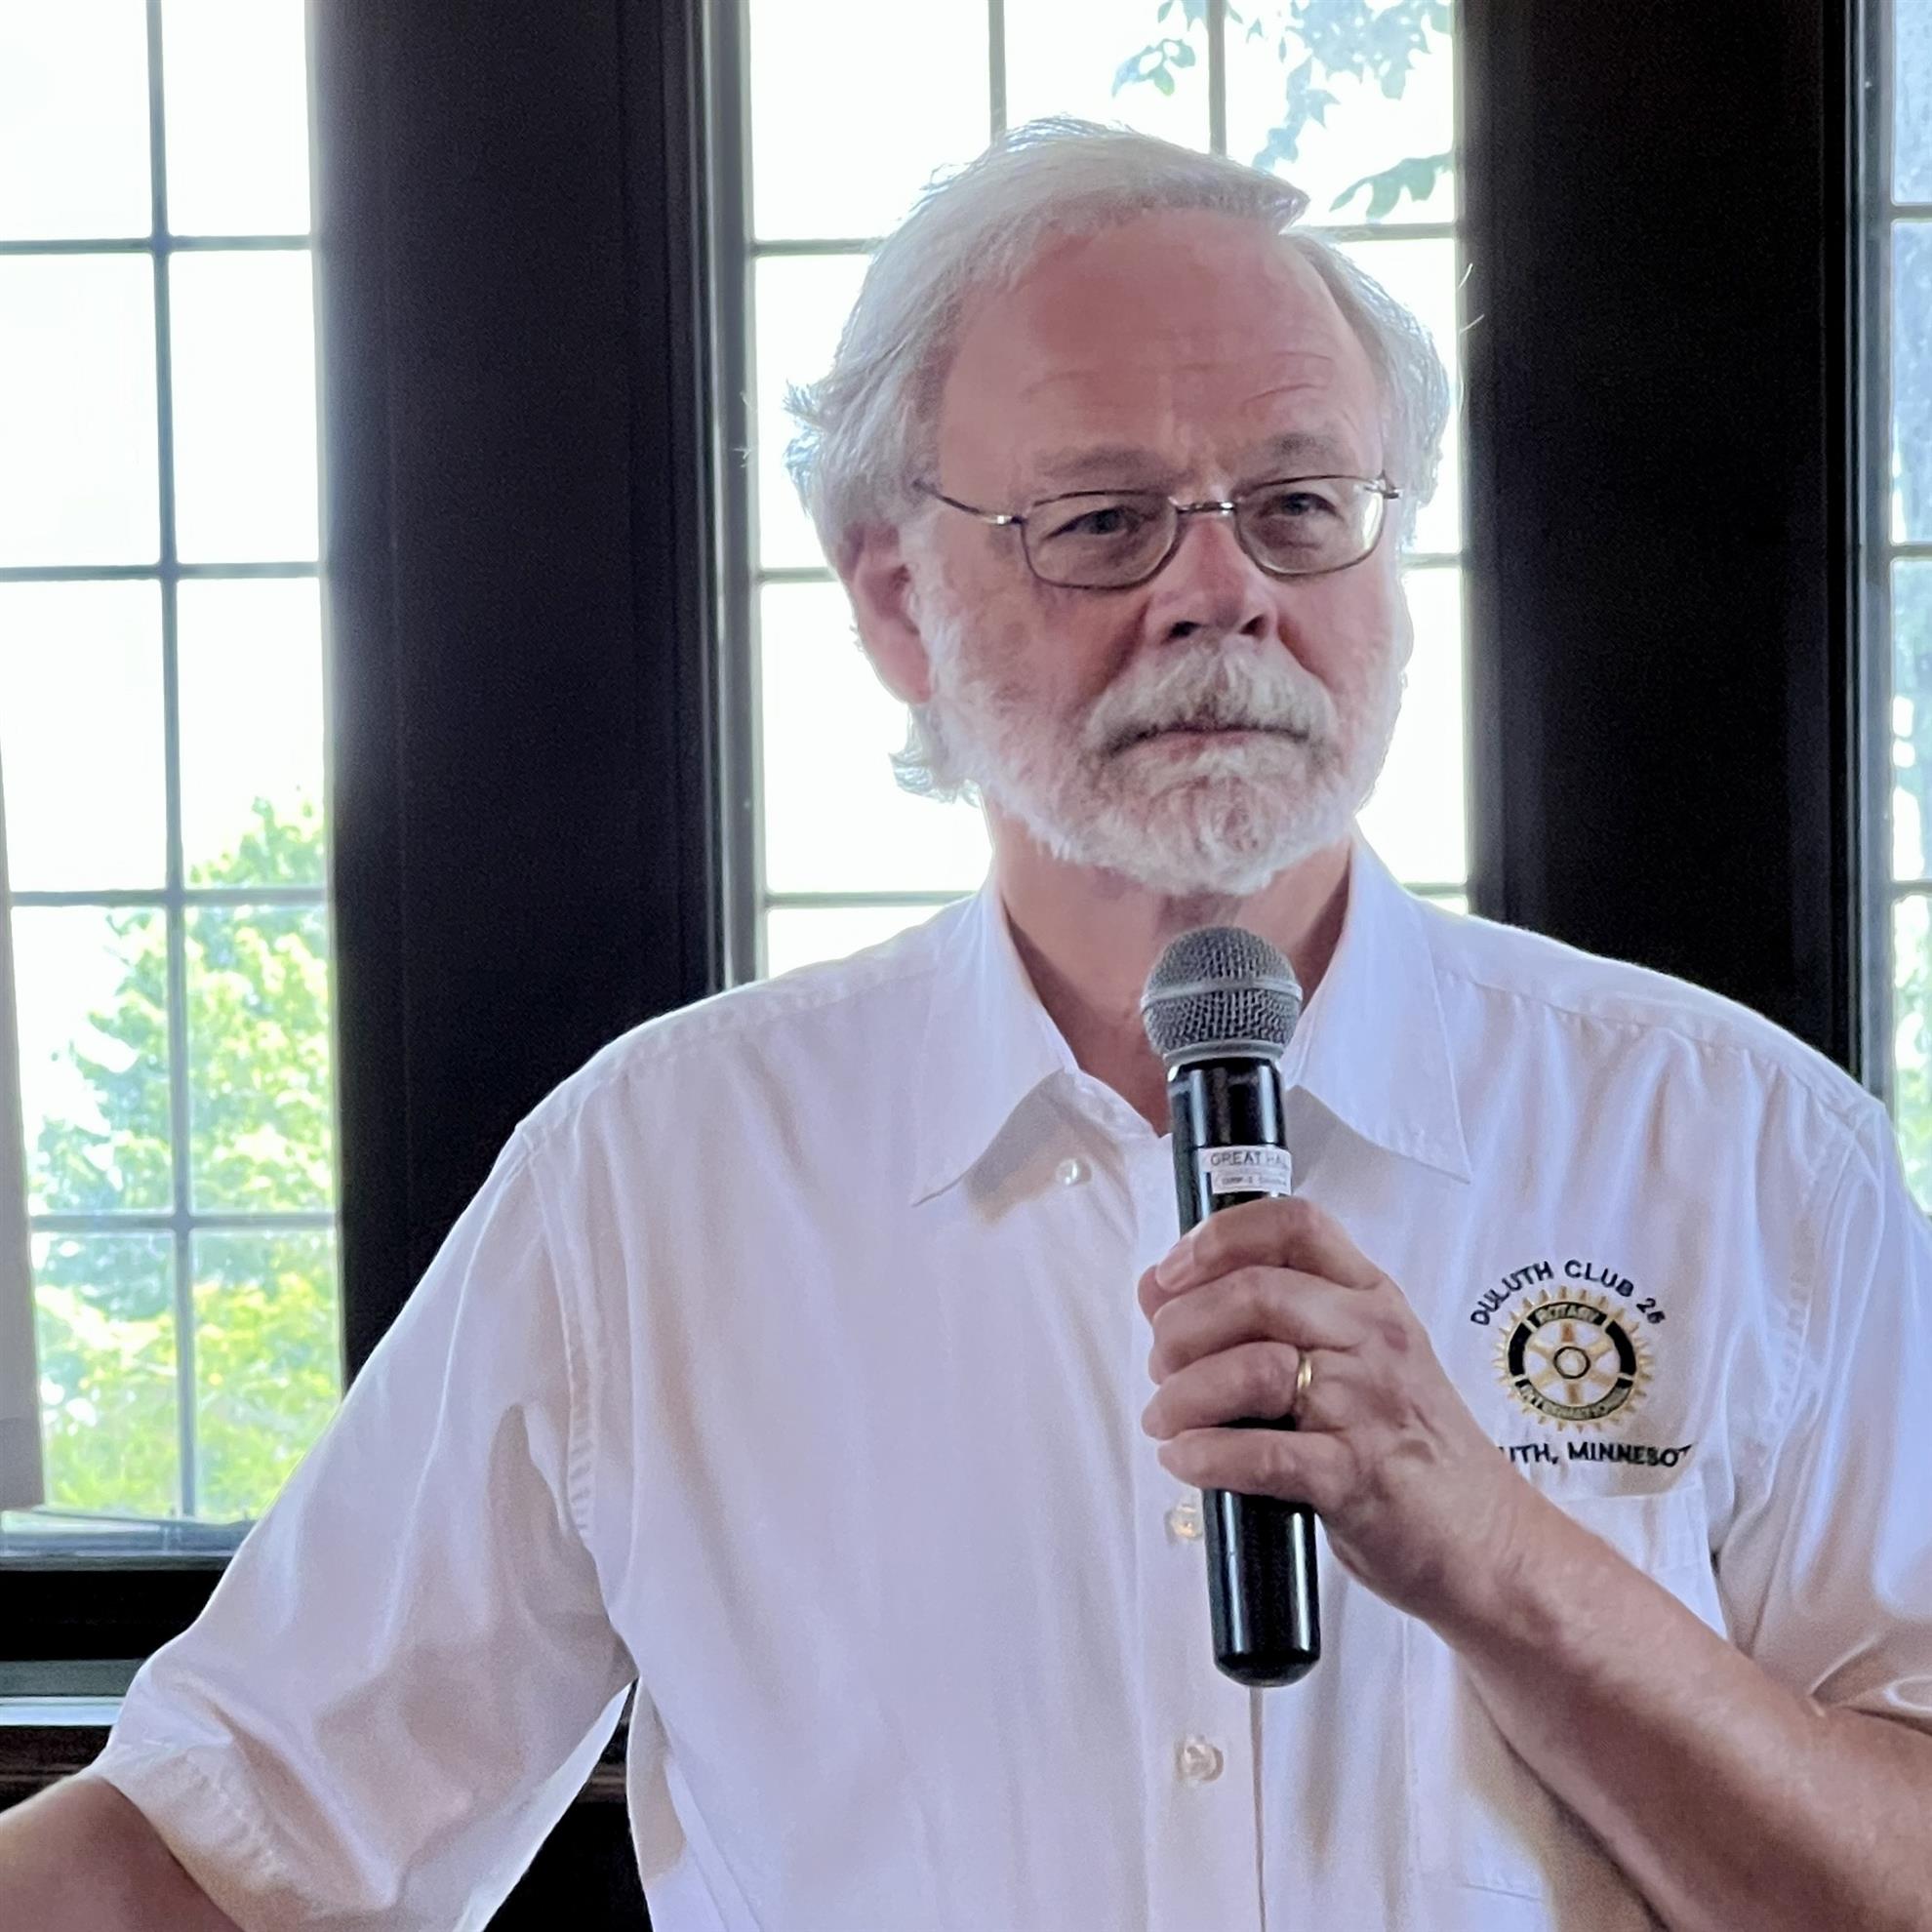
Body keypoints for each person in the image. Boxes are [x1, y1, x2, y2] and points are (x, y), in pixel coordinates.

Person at [5, 114, 1932, 1932]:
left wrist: (1499, 1558)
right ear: (896, 606)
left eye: (1299, 506)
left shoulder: (1744, 1150)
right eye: (1104, 521)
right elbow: (224, 1852)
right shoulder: (654, 1184)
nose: (1221, 593)